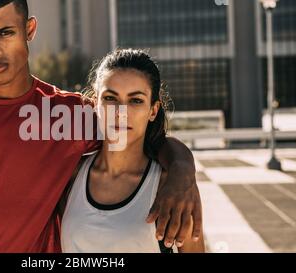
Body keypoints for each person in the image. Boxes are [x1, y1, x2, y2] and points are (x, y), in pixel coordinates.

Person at [0, 0, 202, 253]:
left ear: (30, 29)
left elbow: (138, 133)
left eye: (5, 33)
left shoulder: (70, 113)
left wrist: (182, 170)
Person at [61, 49, 205, 253]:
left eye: (136, 100)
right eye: (110, 98)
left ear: (153, 110)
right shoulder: (70, 177)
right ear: (95, 103)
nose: (121, 112)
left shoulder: (171, 188)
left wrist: (183, 168)